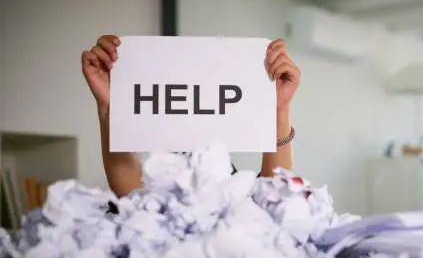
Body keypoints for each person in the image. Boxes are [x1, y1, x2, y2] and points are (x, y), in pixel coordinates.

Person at [81, 35, 301, 197]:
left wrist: (278, 109)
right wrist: (113, 108)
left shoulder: (242, 216)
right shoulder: (157, 214)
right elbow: (131, 193)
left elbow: (275, 196)